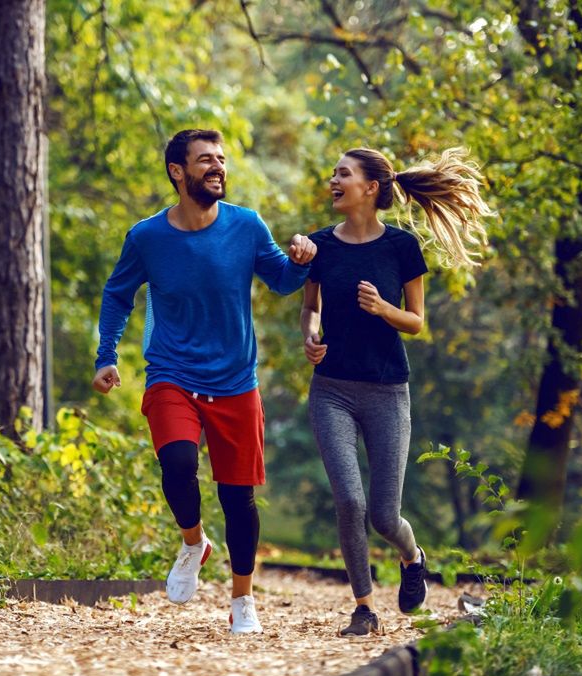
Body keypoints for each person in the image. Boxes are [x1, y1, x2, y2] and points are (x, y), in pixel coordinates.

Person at [92, 129, 317, 634]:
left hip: (236, 381)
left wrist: (303, 259)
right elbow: (117, 294)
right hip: (172, 373)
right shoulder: (147, 237)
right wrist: (106, 355)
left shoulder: (247, 225)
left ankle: (242, 600)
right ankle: (194, 541)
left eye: (221, 160)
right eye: (205, 161)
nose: (217, 168)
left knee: (238, 499)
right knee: (176, 463)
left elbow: (281, 279)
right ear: (178, 171)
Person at [300, 147, 491, 636]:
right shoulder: (322, 246)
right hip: (332, 390)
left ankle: (413, 556)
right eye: (333, 172)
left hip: (387, 391)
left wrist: (385, 309)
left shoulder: (402, 247)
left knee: (385, 515)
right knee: (350, 502)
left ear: (370, 187)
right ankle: (363, 607)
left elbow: (417, 322)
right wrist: (311, 335)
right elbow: (310, 308)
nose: (333, 180)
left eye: (343, 173)